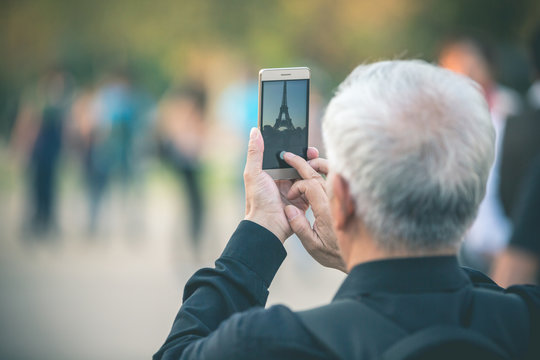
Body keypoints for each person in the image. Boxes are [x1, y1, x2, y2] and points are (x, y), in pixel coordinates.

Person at [154, 61, 540, 359]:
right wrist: (377, 262)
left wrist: (260, 225)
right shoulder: (523, 322)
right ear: (473, 201)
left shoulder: (272, 341)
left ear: (345, 199)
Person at [438, 34, 522, 272]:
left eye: (471, 60)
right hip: (456, 233)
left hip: (503, 225)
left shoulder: (510, 107)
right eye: (455, 61)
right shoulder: (439, 112)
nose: (466, 68)